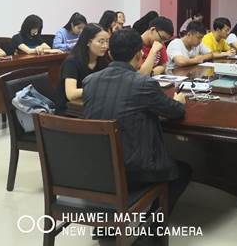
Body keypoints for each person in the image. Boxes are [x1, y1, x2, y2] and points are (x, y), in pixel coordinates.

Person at [82, 28, 191, 214]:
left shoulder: (89, 81)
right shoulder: (143, 83)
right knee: (183, 171)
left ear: (110, 54)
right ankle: (153, 226)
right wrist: (179, 101)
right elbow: (175, 112)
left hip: (95, 166)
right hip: (132, 170)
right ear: (139, 55)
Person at [56, 23, 109, 112]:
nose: (105, 46)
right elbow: (71, 94)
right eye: (101, 42)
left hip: (91, 106)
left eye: (107, 41)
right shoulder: (72, 62)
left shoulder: (103, 61)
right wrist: (96, 88)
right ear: (88, 42)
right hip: (69, 111)